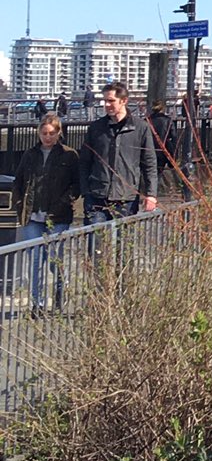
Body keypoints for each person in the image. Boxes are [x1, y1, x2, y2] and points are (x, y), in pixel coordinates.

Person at [14, 112, 79, 314]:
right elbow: (19, 181)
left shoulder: (68, 155)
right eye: (44, 133)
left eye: (51, 133)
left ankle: (60, 297)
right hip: (32, 215)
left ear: (58, 133)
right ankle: (38, 303)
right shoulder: (30, 154)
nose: (47, 137)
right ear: (39, 133)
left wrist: (64, 203)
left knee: (55, 260)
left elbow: (75, 185)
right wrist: (20, 204)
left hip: (57, 216)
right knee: (35, 261)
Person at [79, 81, 158, 227]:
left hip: (126, 197)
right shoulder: (96, 128)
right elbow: (85, 161)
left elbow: (149, 164)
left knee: (123, 244)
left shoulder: (140, 128)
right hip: (97, 196)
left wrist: (151, 194)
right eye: (105, 101)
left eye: (111, 101)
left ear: (124, 101)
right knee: (95, 244)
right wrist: (86, 191)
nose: (107, 105)